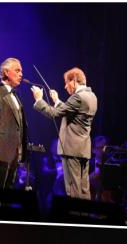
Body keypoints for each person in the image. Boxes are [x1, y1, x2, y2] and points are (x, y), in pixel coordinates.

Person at [32, 67, 97, 199]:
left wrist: (39, 100)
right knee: (84, 189)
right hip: (83, 149)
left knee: (73, 189)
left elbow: (53, 113)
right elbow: (72, 112)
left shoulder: (77, 97)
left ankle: (73, 212)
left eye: (67, 82)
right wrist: (57, 101)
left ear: (74, 80)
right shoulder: (92, 96)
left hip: (71, 150)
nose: (65, 86)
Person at [0, 57, 27, 189]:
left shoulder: (15, 95)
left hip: (14, 154)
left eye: (21, 71)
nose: (21, 74)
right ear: (6, 72)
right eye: (17, 71)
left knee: (8, 189)